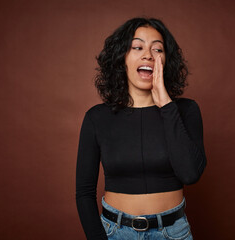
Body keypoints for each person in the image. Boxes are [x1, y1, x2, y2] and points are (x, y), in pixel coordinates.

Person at [76, 17, 207, 240]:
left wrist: (166, 105)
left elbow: (190, 173)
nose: (148, 54)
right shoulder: (97, 118)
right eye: (137, 47)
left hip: (173, 233)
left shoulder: (186, 111)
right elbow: (84, 193)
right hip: (115, 233)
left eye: (157, 49)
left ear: (165, 60)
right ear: (122, 58)